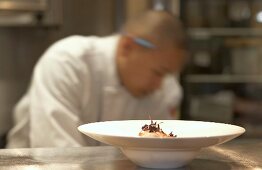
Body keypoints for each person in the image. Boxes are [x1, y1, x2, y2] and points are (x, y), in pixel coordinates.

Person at [7, 10, 187, 148]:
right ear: (127, 47)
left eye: (167, 75)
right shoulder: (68, 62)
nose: (159, 85)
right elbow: (57, 153)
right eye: (158, 72)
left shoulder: (166, 90)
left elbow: (157, 152)